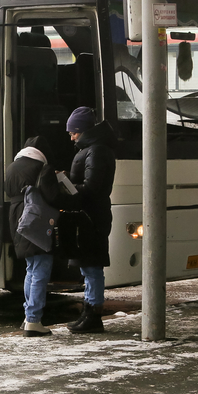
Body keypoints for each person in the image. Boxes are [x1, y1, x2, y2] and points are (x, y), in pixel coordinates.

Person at [63, 106, 116, 334]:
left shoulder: (96, 151)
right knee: (88, 265)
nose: (70, 135)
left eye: (73, 131)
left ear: (82, 130)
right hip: (91, 214)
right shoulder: (93, 149)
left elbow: (92, 187)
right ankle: (89, 312)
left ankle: (93, 314)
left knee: (92, 266)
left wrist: (68, 188)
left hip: (92, 215)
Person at [5, 136, 64, 337]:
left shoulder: (11, 167)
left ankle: (28, 316)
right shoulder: (42, 168)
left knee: (31, 268)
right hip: (36, 220)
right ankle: (34, 319)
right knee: (41, 267)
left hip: (17, 218)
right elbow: (53, 197)